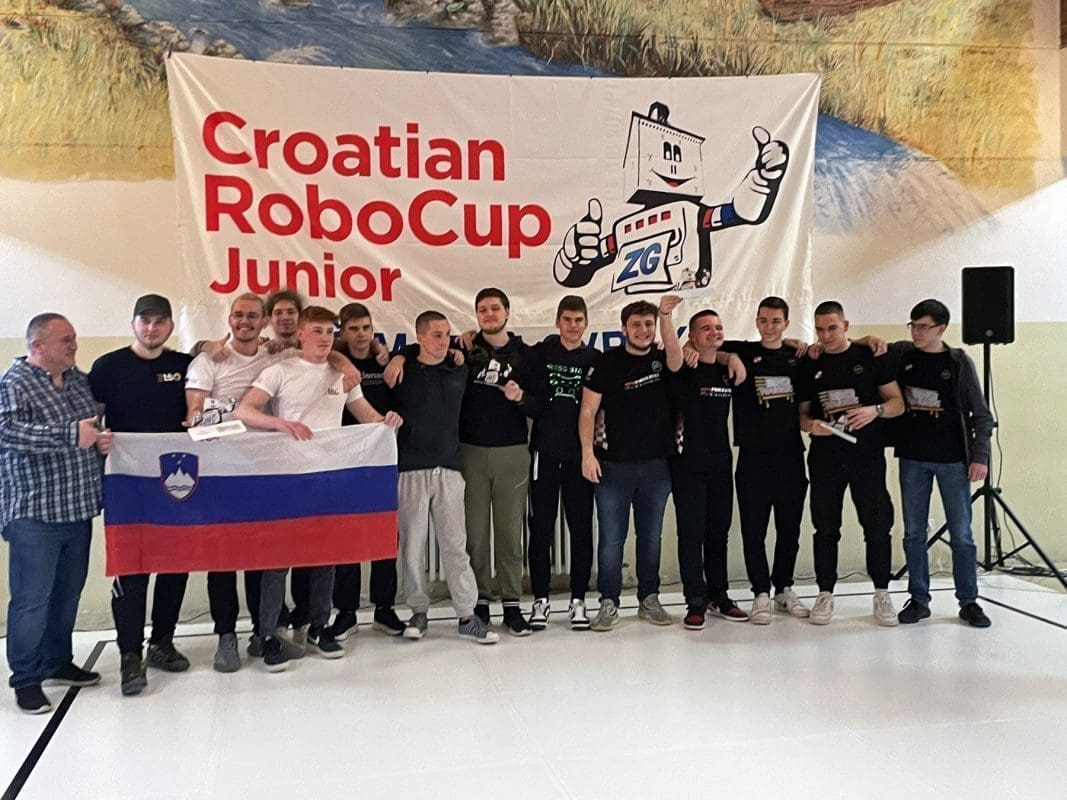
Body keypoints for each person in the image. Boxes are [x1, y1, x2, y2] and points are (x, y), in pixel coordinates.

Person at [235, 306, 400, 672]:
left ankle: (319, 627)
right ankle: (268, 634)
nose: (325, 338)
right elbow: (244, 410)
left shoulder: (342, 374)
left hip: (328, 477)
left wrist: (386, 421)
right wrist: (279, 424)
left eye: (330, 332)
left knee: (327, 555)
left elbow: (367, 415)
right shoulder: (280, 370)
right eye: (318, 331)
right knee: (277, 561)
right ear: (301, 334)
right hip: (287, 478)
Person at [385, 288, 542, 635]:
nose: (489, 314)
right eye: (483, 309)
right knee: (461, 538)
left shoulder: (515, 356)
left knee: (501, 535)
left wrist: (521, 398)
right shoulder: (462, 354)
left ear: (507, 311)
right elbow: (421, 345)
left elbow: (540, 404)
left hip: (498, 453)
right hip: (452, 457)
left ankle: (499, 606)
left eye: (495, 308)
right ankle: (460, 605)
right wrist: (399, 356)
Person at [1, 314, 112, 714]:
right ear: (38, 345)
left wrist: (99, 441)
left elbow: (90, 427)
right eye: (66, 340)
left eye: (74, 338)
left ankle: (56, 661)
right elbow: (7, 432)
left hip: (76, 509)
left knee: (67, 594)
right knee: (31, 600)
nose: (74, 345)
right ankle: (26, 679)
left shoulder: (79, 381)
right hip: (34, 513)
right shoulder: (13, 383)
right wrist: (69, 435)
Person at [89, 294, 192, 696]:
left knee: (175, 565)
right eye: (145, 321)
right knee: (131, 570)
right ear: (134, 324)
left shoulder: (185, 365)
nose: (152, 328)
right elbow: (92, 419)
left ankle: (162, 642)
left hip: (177, 483)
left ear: (170, 326)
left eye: (160, 321)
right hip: (127, 483)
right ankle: (130, 654)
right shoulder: (108, 367)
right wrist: (98, 437)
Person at [387, 310, 498, 644]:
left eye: (446, 334)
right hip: (410, 469)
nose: (443, 341)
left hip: (449, 469)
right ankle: (418, 611)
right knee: (411, 547)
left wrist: (459, 344)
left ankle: (466, 615)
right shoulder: (402, 371)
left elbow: (489, 344)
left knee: (455, 545)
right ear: (419, 337)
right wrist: (401, 355)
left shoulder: (458, 368)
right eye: (436, 335)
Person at [887, 300, 994, 627]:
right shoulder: (902, 355)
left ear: (941, 329)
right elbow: (864, 345)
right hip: (913, 459)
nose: (917, 332)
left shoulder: (959, 362)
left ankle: (969, 601)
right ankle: (918, 599)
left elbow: (982, 415)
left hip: (953, 461)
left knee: (961, 534)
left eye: (924, 327)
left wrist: (980, 456)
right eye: (913, 325)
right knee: (913, 532)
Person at [797, 301, 904, 626]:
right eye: (820, 329)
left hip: (866, 457)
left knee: (877, 525)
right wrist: (811, 426)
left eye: (832, 328)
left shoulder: (868, 355)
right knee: (825, 527)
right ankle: (825, 593)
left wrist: (875, 411)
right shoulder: (810, 363)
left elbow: (897, 403)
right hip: (825, 459)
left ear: (845, 326)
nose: (826, 335)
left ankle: (882, 592)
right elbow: (802, 415)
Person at [580, 295, 683, 631]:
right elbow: (587, 411)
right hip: (613, 467)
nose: (643, 330)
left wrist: (665, 315)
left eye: (648, 324)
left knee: (651, 537)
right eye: (636, 325)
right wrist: (587, 454)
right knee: (612, 539)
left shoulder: (664, 358)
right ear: (623, 328)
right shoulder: (606, 363)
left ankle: (648, 599)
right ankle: (608, 603)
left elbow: (678, 358)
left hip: (656, 467)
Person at [721, 297, 811, 624]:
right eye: (763, 320)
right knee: (753, 529)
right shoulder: (742, 351)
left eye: (775, 321)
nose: (769, 327)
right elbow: (697, 345)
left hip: (790, 457)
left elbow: (836, 345)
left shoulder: (798, 357)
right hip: (752, 459)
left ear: (786, 323)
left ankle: (783, 588)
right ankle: (760, 592)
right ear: (756, 321)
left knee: (789, 529)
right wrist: (730, 357)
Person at [323, 302, 405, 639]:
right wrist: (339, 358)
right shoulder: (331, 362)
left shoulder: (384, 360)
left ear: (373, 330)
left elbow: (402, 399)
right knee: (347, 537)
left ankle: (385, 608)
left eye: (366, 328)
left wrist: (397, 357)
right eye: (353, 329)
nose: (361, 334)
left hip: (381, 461)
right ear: (343, 332)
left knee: (385, 534)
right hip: (342, 461)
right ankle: (346, 612)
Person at [670, 308, 748, 631]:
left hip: (720, 463)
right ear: (691, 336)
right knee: (691, 535)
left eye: (718, 327)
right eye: (705, 328)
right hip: (687, 464)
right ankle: (695, 601)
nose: (714, 332)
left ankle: (719, 595)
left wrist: (731, 356)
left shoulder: (727, 368)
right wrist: (679, 337)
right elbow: (671, 351)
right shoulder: (683, 367)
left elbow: (782, 344)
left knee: (718, 533)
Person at [526, 296, 598, 630]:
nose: (572, 326)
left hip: (580, 457)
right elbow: (504, 348)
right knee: (541, 529)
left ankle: (578, 600)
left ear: (586, 323)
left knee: (581, 529)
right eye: (567, 319)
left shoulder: (595, 359)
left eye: (578, 320)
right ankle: (540, 600)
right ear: (557, 322)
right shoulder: (540, 354)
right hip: (544, 453)